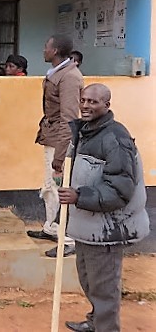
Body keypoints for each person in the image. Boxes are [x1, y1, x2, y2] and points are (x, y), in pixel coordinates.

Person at [59, 84, 149, 332]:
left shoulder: (115, 138)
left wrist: (79, 195)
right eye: (83, 100)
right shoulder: (87, 132)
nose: (86, 106)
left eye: (93, 102)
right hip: (88, 226)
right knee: (89, 282)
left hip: (108, 230)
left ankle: (106, 327)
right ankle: (95, 322)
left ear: (107, 105)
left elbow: (120, 189)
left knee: (104, 289)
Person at [27, 33, 83, 257]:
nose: (43, 50)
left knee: (59, 187)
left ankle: (68, 239)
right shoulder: (58, 72)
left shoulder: (69, 77)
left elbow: (69, 120)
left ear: (56, 51)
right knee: (49, 186)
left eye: (46, 47)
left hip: (59, 140)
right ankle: (51, 227)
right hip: (50, 135)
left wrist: (60, 157)